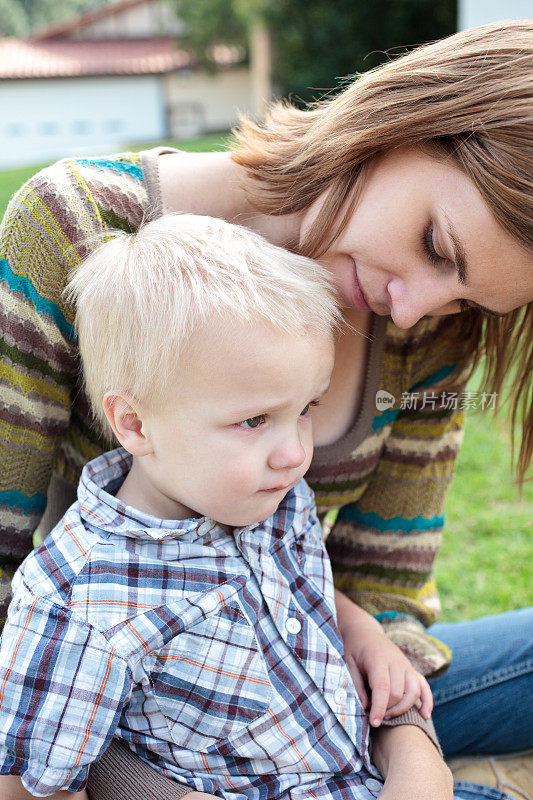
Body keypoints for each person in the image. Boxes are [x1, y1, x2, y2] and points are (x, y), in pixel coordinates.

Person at [0, 18, 531, 800]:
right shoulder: (78, 229)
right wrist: (135, 782)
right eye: (434, 246)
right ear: (402, 124)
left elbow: (382, 587)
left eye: (464, 297)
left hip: (318, 691)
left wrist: (408, 746)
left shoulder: (429, 332)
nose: (414, 310)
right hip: (139, 716)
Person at [0, 213, 435, 799]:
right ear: (133, 422)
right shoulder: (79, 608)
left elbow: (288, 588)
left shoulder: (264, 497)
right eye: (253, 420)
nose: (293, 453)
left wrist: (363, 634)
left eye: (306, 407)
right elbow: (32, 786)